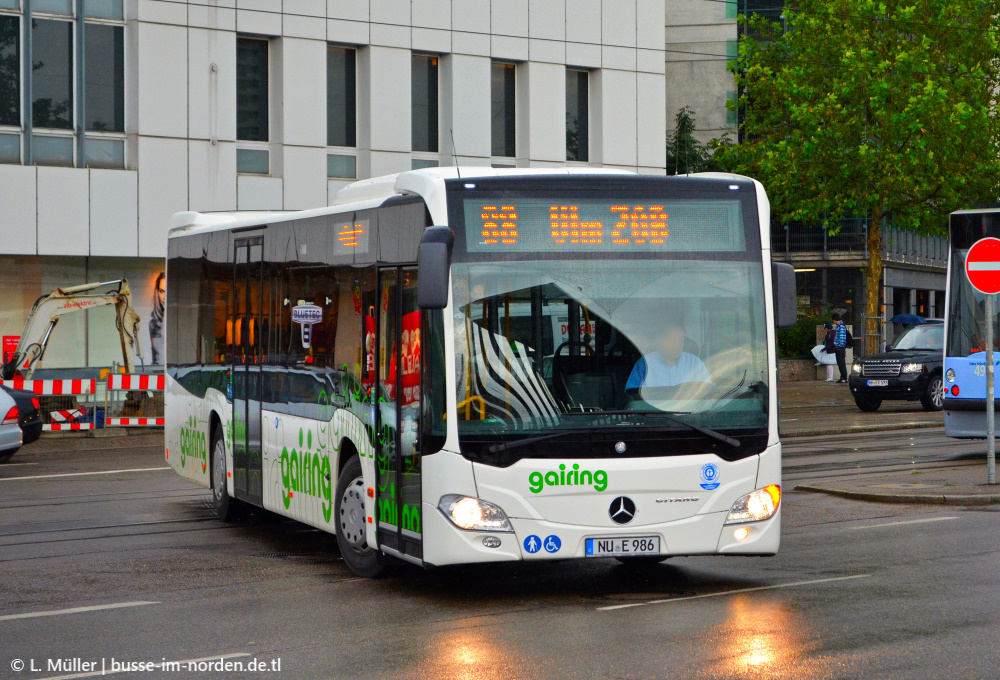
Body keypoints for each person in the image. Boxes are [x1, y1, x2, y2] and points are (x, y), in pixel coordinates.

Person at [626, 317, 711, 390]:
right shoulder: (645, 363)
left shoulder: (695, 363)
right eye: (672, 341)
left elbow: (708, 393)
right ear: (660, 341)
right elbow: (632, 396)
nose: (678, 345)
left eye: (680, 341)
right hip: (651, 409)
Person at [832, 312, 849, 383]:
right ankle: (842, 377)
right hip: (838, 347)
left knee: (841, 362)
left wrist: (839, 346)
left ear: (835, 319)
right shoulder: (839, 326)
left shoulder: (841, 326)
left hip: (840, 348)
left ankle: (844, 377)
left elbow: (842, 338)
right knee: (839, 363)